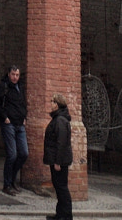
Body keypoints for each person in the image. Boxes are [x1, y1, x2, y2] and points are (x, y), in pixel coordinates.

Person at [0, 65, 28, 194]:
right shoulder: (3, 86)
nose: (15, 77)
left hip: (20, 124)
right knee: (12, 155)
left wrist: (24, 116)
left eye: (17, 75)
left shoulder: (21, 87)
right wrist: (4, 118)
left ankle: (12, 179)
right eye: (13, 74)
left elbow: (23, 103)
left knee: (24, 153)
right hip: (9, 124)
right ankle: (7, 184)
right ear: (8, 74)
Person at [44, 91, 75, 220]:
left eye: (52, 101)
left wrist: (57, 161)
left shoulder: (60, 120)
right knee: (58, 186)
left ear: (57, 104)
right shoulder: (58, 118)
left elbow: (61, 142)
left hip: (60, 161)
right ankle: (60, 214)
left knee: (61, 187)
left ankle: (66, 215)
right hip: (57, 159)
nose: (51, 103)